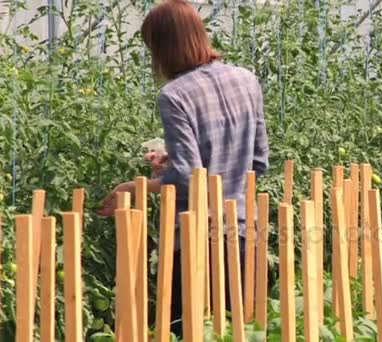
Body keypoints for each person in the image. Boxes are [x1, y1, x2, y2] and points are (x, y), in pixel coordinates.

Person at [98, 0, 269, 337]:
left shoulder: (175, 95)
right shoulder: (246, 79)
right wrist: (174, 162)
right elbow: (258, 160)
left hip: (196, 241)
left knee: (184, 330)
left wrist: (133, 187)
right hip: (246, 234)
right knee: (239, 330)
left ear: (163, 48)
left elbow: (190, 180)